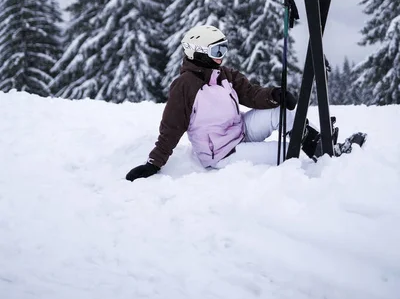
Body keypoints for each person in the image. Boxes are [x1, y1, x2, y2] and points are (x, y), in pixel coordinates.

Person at [126, 25, 366, 182]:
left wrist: (274, 94)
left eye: (224, 49)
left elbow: (251, 94)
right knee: (283, 152)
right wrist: (153, 164)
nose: (223, 55)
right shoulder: (185, 86)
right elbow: (171, 128)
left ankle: (321, 147)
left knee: (280, 113)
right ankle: (317, 170)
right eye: (217, 50)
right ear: (198, 52)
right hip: (220, 152)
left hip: (240, 131)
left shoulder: (224, 74)